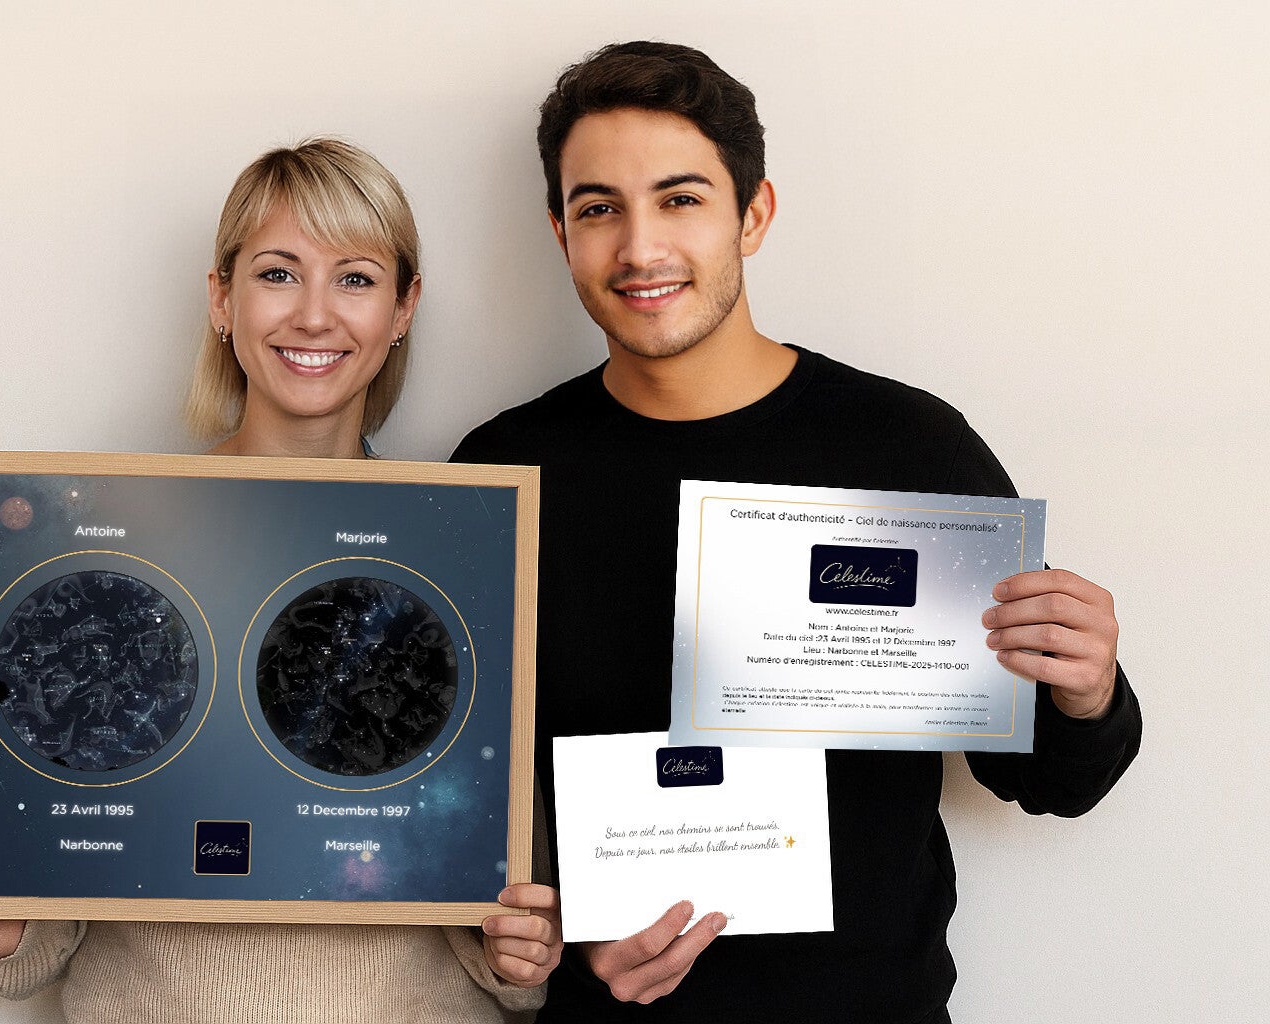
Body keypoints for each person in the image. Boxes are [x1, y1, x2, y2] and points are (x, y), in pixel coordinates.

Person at [451, 42, 1141, 1023]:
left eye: (680, 199)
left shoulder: (907, 448)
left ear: (754, 214)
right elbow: (459, 794)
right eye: (600, 208)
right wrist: (548, 923)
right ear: (562, 232)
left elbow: (1049, 780)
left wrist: (1087, 687)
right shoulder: (501, 475)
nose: (640, 248)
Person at [0, 138, 562, 1023]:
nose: (313, 315)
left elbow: (503, 893)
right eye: (278, 274)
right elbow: (80, 819)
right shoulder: (121, 552)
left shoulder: (461, 550)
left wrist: (523, 952)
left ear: (404, 308)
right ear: (221, 299)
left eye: (355, 279)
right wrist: (6, 918)